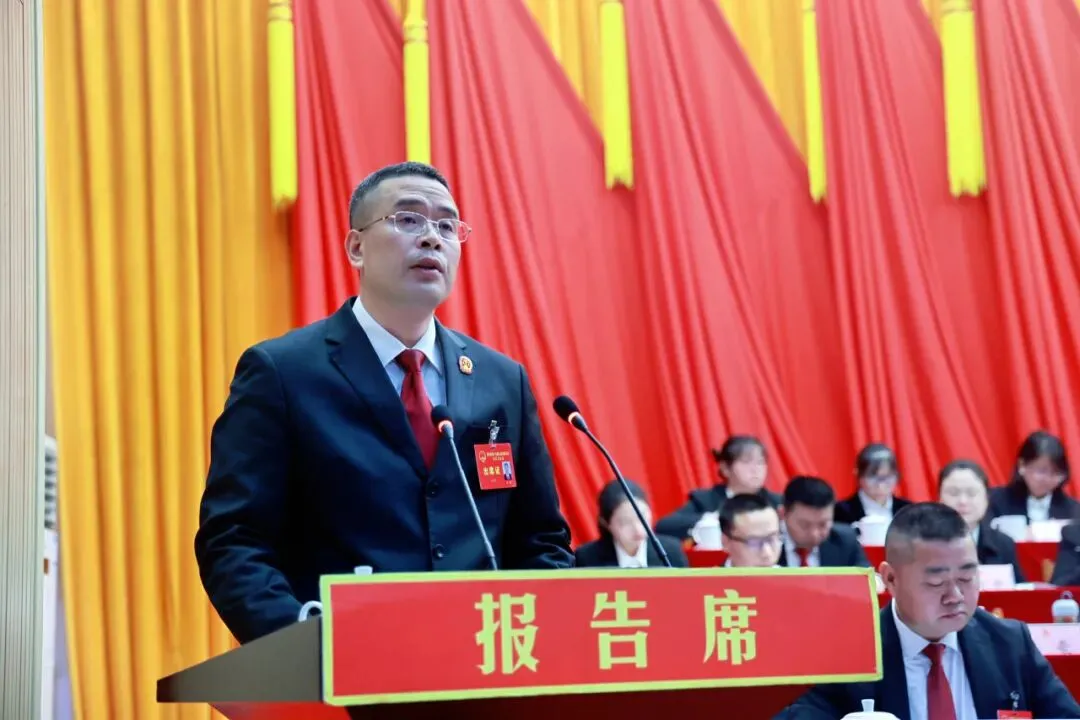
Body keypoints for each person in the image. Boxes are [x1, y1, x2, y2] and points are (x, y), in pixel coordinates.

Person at [194, 162, 574, 644]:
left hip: (482, 661)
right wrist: (302, 645)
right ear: (356, 247)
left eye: (447, 226)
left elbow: (541, 540)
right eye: (408, 219)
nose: (432, 238)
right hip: (342, 666)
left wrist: (531, 637)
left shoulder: (502, 380)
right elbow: (234, 539)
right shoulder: (282, 373)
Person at [778, 503, 1080, 719]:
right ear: (890, 579)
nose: (955, 596)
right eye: (936, 583)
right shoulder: (849, 654)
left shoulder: (1010, 643)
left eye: (966, 577)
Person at [655, 435, 780, 540]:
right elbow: (664, 526)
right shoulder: (706, 500)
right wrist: (711, 519)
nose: (755, 469)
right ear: (725, 468)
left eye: (760, 462)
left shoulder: (778, 503)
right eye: (746, 462)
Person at [938, 459, 1025, 582]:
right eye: (953, 493)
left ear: (986, 499)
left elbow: (1019, 589)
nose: (963, 501)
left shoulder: (1003, 544)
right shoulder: (924, 545)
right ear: (939, 499)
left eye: (972, 493)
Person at [574, 479, 688, 568]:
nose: (638, 529)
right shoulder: (586, 558)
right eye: (625, 522)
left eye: (642, 517)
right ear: (606, 523)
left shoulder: (671, 551)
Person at [988, 430, 1078, 523]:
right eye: (1041, 471)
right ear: (1022, 465)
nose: (1047, 479)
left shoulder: (1074, 511)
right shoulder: (994, 501)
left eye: (1055, 473)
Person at [779, 475, 870, 568]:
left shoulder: (846, 541)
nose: (814, 534)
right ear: (783, 514)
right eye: (804, 525)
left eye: (823, 524)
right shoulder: (771, 544)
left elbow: (866, 575)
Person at [833, 443, 912, 525]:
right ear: (858, 475)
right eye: (873, 477)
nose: (881, 485)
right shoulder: (840, 512)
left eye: (887, 476)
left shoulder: (907, 510)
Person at [719, 494, 783, 568]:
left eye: (771, 539)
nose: (767, 553)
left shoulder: (790, 575)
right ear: (725, 542)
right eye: (754, 543)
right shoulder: (712, 576)